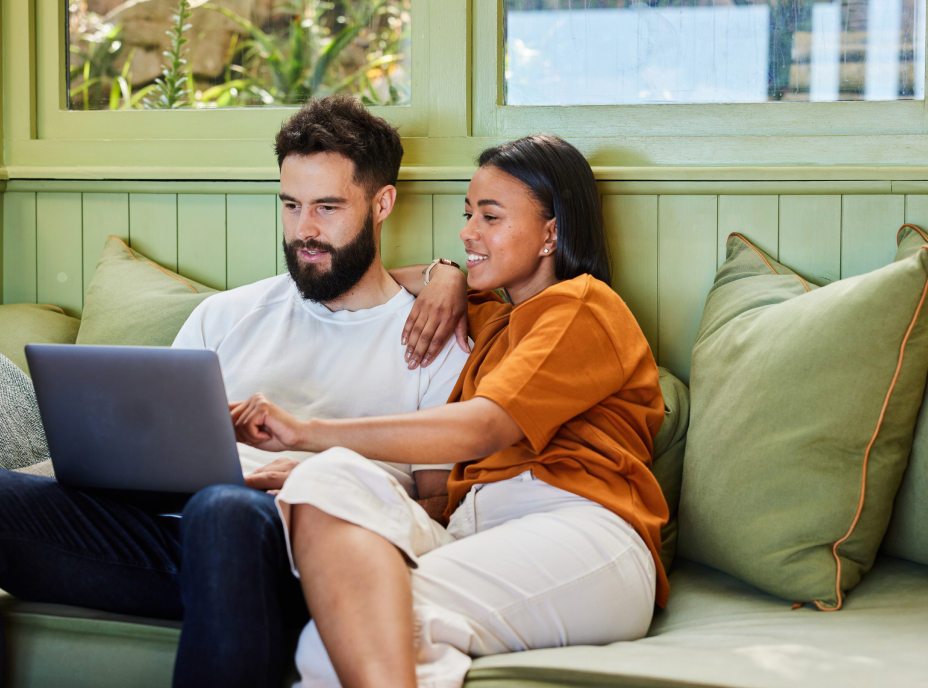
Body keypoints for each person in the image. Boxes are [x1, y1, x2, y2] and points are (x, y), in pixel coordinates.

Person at [0, 96, 470, 688]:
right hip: (169, 532)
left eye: (327, 207)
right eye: (291, 205)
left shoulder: (432, 338)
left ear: (382, 203)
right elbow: (152, 452)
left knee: (224, 511)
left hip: (309, 551)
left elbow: (441, 510)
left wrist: (309, 483)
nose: (305, 230)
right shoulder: (226, 315)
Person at [231, 134, 670, 688]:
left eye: (490, 217)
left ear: (551, 232)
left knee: (336, 640)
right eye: (468, 214)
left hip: (583, 531)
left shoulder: (582, 306)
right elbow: (383, 278)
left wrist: (305, 433)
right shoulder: (495, 317)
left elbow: (482, 427)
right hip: (472, 531)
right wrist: (449, 275)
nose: (467, 232)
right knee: (326, 481)